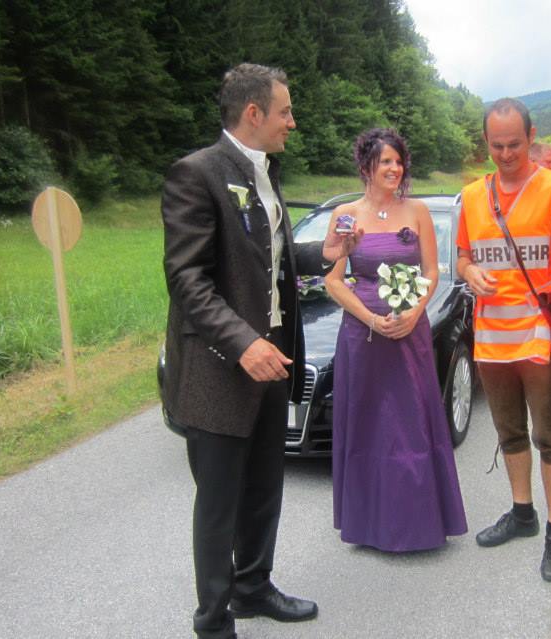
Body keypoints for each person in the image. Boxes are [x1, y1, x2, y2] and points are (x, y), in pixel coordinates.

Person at [161, 63, 359, 639]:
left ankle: (253, 587)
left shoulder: (265, 171)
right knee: (219, 502)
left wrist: (324, 252)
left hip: (273, 359)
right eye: (285, 112)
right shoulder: (196, 174)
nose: (292, 122)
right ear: (253, 113)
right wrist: (243, 343)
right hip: (221, 367)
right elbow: (188, 280)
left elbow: (269, 264)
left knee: (264, 488)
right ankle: (213, 621)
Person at [456, 98, 551, 582]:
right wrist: (469, 271)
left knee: (549, 436)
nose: (506, 154)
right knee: (509, 432)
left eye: (515, 144)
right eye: (496, 146)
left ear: (531, 136)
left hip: (540, 334)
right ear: (486, 142)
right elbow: (463, 256)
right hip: (491, 337)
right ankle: (522, 513)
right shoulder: (472, 196)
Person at [323, 128, 468, 551]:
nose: (395, 168)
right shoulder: (346, 215)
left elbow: (433, 272)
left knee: (411, 424)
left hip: (409, 333)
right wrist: (370, 318)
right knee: (368, 425)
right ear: (366, 165)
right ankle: (368, 526)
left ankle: (418, 524)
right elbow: (333, 279)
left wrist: (415, 312)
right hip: (362, 336)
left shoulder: (417, 210)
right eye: (386, 161)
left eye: (399, 161)